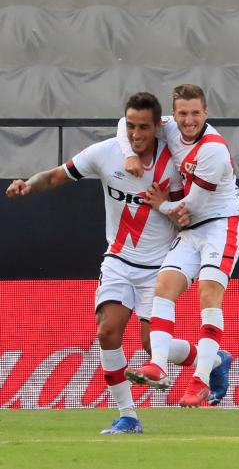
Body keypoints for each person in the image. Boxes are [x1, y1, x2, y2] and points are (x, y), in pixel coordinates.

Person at [5, 92, 203, 434]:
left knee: (149, 345)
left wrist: (171, 207)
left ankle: (210, 359)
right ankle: (128, 416)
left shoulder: (176, 162)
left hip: (160, 266)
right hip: (118, 260)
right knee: (107, 332)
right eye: (130, 126)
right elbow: (55, 176)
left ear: (158, 127)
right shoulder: (106, 152)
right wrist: (27, 184)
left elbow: (191, 214)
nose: (136, 134)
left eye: (144, 127)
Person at [119, 84, 239, 407]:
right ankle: (159, 367)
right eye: (182, 114)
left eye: (195, 113)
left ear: (206, 112)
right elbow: (125, 124)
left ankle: (200, 379)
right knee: (164, 287)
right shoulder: (171, 129)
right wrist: (129, 154)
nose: (188, 121)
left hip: (221, 225)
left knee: (208, 293)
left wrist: (160, 204)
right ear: (173, 115)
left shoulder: (213, 151)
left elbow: (188, 210)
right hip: (194, 230)